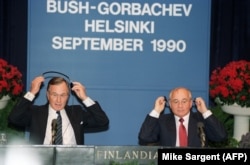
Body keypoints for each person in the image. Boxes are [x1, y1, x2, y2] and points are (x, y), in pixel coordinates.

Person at [8, 76, 109, 145]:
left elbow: (102, 121)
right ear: (48, 95)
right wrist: (32, 92)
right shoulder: (36, 113)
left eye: (63, 95)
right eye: (54, 95)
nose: (58, 100)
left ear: (68, 96)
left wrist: (85, 98)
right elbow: (14, 118)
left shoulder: (77, 113)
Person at [138, 87, 227, 147]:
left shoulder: (201, 121)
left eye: (184, 101)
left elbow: (221, 136)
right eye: (176, 101)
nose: (180, 105)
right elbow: (144, 137)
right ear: (170, 104)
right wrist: (156, 110)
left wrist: (205, 112)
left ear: (191, 103)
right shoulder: (163, 121)